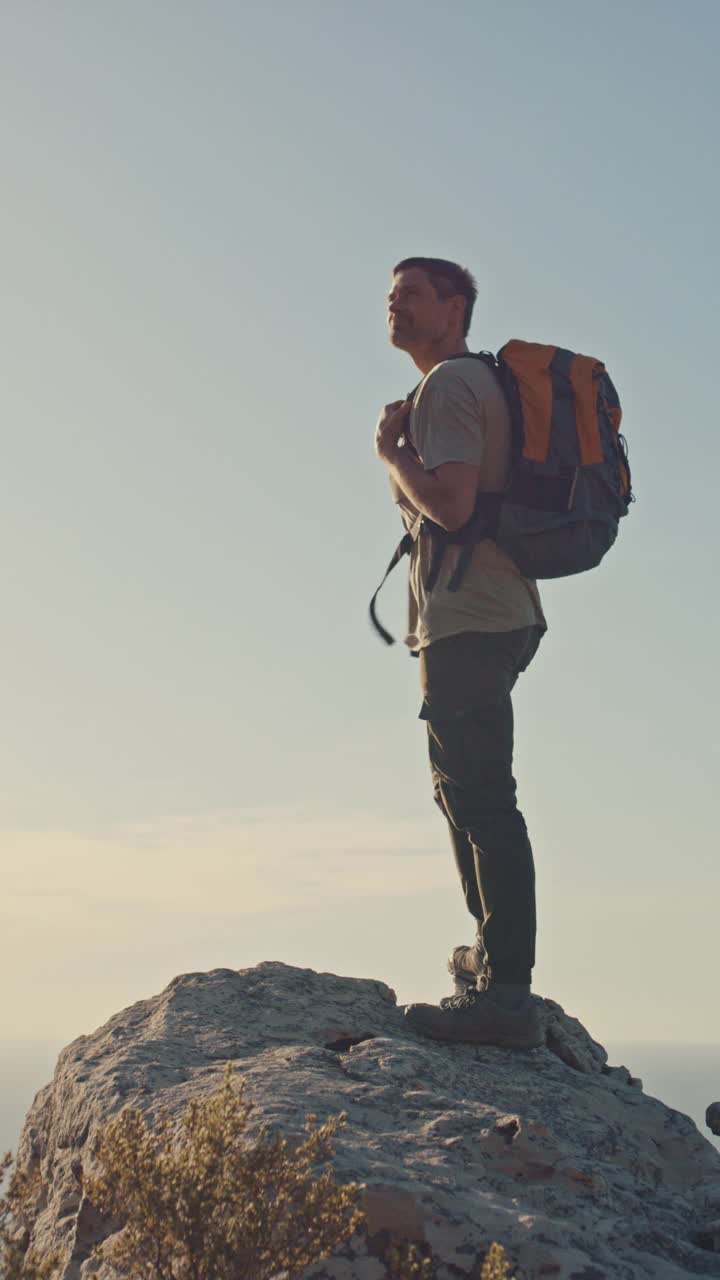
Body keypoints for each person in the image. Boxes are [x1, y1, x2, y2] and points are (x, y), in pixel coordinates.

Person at [374, 257, 547, 1049]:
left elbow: (449, 503)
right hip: (490, 612)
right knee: (462, 792)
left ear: (454, 308)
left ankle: (506, 993)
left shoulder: (447, 386)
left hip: (471, 617)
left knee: (479, 797)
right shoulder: (468, 382)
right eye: (392, 294)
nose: (394, 304)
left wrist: (392, 457)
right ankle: (490, 963)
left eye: (412, 293)